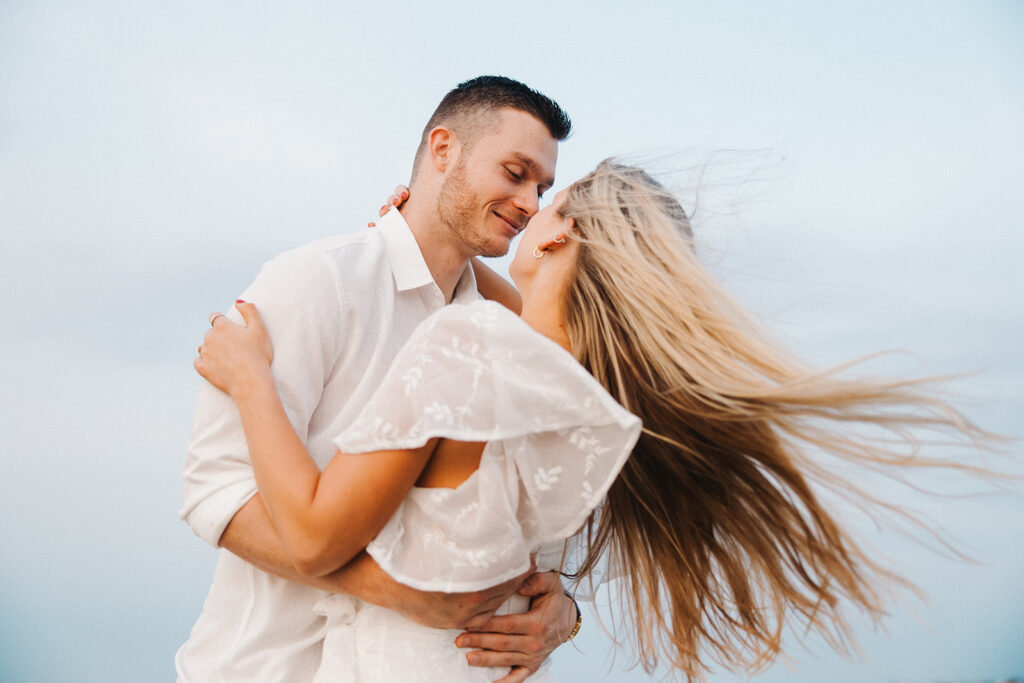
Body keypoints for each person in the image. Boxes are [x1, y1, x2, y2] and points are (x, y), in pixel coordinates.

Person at [195, 159, 993, 681]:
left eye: (550, 199)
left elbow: (307, 529)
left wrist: (251, 377)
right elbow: (534, 331)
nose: (531, 209)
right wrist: (440, 243)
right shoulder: (602, 407)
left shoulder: (467, 347)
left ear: (564, 233)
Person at [177, 75, 578, 683]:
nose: (529, 203)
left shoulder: (504, 330)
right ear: (443, 151)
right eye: (516, 172)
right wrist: (395, 590)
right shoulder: (318, 283)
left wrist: (562, 614)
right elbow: (216, 492)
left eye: (542, 188)